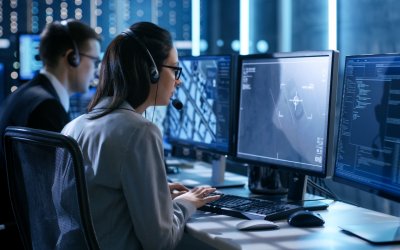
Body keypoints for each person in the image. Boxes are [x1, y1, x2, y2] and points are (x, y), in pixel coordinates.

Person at [61, 21, 220, 249]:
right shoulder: (139, 131)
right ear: (151, 72)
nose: (179, 80)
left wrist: (153, 192)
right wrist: (187, 203)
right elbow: (160, 241)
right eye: (174, 69)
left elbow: (97, 197)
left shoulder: (73, 127)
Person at [0, 19, 101, 246]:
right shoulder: (47, 109)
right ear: (72, 57)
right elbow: (60, 195)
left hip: (17, 230)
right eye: (94, 60)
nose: (95, 70)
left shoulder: (23, 96)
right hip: (33, 236)